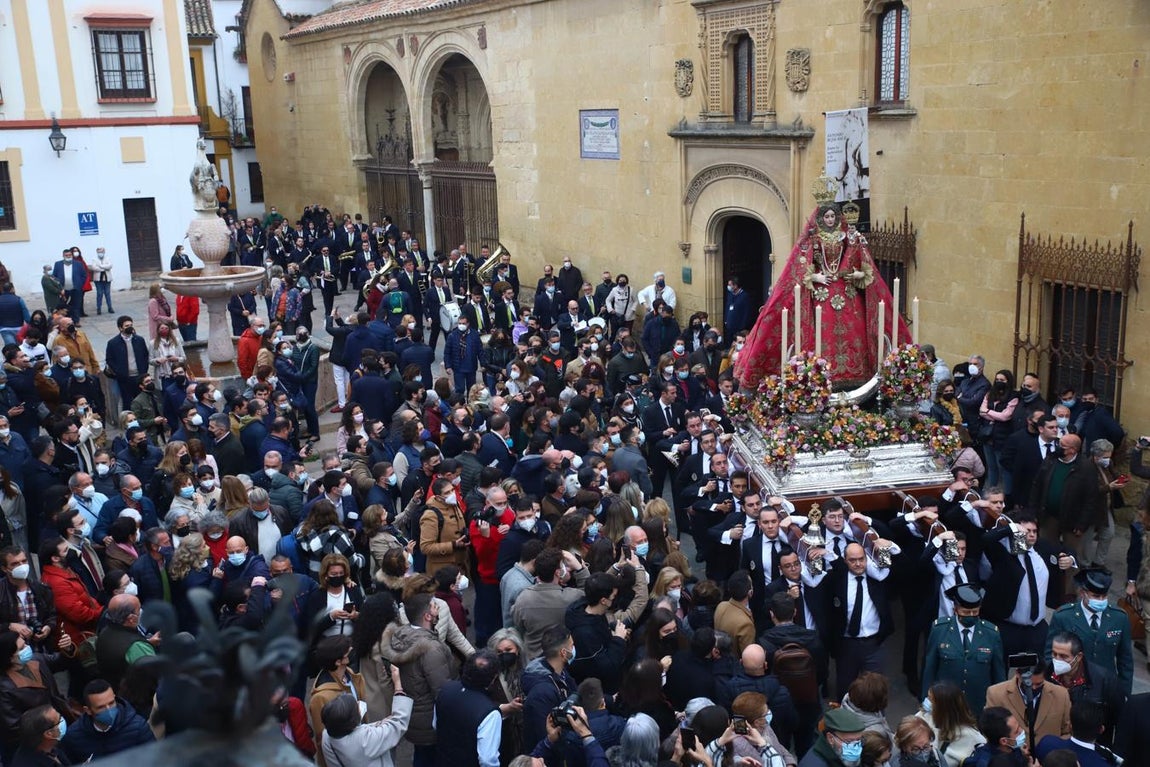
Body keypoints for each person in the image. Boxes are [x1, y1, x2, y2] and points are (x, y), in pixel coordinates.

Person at [735, 201, 909, 389]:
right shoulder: (813, 240)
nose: (830, 220)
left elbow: (863, 264)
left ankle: (856, 373)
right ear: (820, 219)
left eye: (833, 216)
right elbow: (800, 267)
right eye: (826, 216)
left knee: (853, 331)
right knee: (820, 331)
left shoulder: (849, 237)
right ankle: (819, 374)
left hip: (846, 291)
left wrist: (858, 274)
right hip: (822, 293)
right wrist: (815, 276)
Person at [380, 593, 454, 767]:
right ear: (428, 616)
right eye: (435, 607)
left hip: (413, 713)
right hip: (429, 719)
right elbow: (442, 690)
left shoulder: (400, 636)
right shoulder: (431, 649)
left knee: (421, 755)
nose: (438, 609)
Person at [1044, 567, 1133, 694]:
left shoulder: (1119, 618)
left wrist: (1124, 694)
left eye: (1104, 596)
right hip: (1071, 688)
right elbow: (1049, 655)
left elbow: (1125, 661)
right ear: (1082, 593)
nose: (1101, 600)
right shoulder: (1063, 617)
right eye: (1096, 596)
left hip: (1105, 688)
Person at [921, 585, 1006, 714]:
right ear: (955, 609)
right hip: (946, 704)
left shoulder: (991, 633)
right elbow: (930, 668)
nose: (971, 616)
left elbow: (998, 673)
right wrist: (926, 698)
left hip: (978, 705)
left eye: (975, 612)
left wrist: (999, 705)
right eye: (966, 612)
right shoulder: (939, 630)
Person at [433, 650, 503, 767]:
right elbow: (487, 760)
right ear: (494, 678)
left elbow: (435, 725)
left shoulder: (445, 690)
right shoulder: (490, 713)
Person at [59, 678, 154, 761]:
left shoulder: (138, 728)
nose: (109, 710)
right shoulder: (73, 737)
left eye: (112, 703)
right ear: (88, 710)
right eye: (101, 707)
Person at [309, 636, 366, 767]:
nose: (352, 651)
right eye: (348, 652)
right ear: (338, 662)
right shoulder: (320, 697)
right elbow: (322, 739)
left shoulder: (349, 675)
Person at [321, 687, 413, 767]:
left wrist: (379, 724)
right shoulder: (365, 740)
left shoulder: (327, 735)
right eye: (356, 707)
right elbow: (398, 723)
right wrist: (399, 691)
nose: (359, 704)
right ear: (353, 720)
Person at [984, 662, 1071, 746]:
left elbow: (1068, 732)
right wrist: (1015, 749)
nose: (1033, 688)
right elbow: (991, 735)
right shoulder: (996, 694)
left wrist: (1050, 751)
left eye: (1039, 684)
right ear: (1018, 673)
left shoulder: (1061, 694)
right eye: (1028, 684)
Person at [916, 682, 986, 767]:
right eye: (928, 697)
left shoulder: (972, 737)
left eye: (931, 699)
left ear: (943, 707)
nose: (927, 701)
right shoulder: (923, 716)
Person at [961, 706, 1033, 767]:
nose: (1022, 731)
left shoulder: (1011, 748)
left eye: (1019, 726)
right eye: (1017, 732)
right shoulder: (990, 763)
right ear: (1004, 741)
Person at [798, 706, 867, 767]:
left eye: (859, 740)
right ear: (830, 738)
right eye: (848, 741)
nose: (855, 748)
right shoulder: (813, 764)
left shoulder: (837, 754)